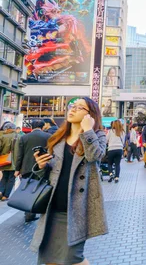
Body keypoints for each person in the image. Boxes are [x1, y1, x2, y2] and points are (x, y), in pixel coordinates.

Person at [31, 97, 107, 265]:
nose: (72, 109)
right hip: (52, 208)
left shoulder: (97, 135)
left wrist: (87, 131)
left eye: (80, 107)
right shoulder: (58, 136)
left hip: (76, 210)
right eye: (72, 105)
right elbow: (49, 173)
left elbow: (95, 156)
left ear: (90, 114)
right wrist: (41, 165)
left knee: (73, 258)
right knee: (49, 259)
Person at [14, 119, 50, 221]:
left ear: (31, 127)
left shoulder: (24, 137)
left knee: (27, 189)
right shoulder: (48, 137)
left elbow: (20, 155)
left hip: (26, 168)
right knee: (38, 189)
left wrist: (17, 169)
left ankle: (28, 213)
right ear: (43, 127)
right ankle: (35, 211)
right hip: (42, 167)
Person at [0, 122, 18, 201]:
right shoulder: (20, 136)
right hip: (16, 161)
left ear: (8, 129)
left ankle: (1, 191)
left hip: (5, 160)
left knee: (4, 177)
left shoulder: (3, 137)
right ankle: (6, 196)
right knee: (11, 178)